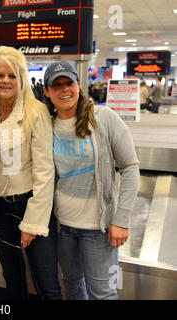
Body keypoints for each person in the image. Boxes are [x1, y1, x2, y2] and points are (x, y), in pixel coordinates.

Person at [43, 61, 140, 300]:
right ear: (46, 92)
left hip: (99, 228)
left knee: (102, 293)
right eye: (57, 85)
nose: (65, 90)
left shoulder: (103, 118)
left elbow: (130, 167)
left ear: (79, 85)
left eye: (69, 83)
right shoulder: (48, 125)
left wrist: (121, 219)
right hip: (62, 225)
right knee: (72, 285)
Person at [0, 46, 62, 300]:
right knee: (12, 277)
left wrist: (32, 222)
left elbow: (45, 171)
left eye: (12, 75)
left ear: (21, 78)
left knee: (46, 282)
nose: (5, 81)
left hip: (31, 204)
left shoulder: (36, 111)